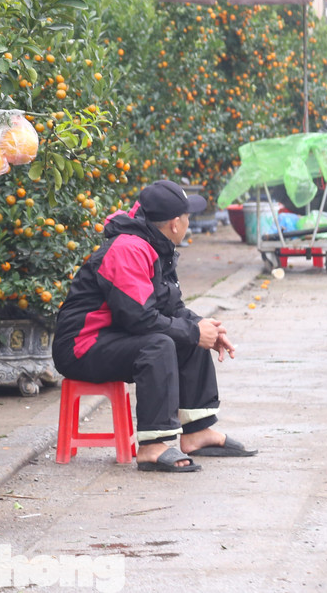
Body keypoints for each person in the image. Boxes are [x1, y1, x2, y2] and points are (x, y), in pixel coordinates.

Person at [52, 180, 255, 473]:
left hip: (113, 336)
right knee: (160, 344)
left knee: (187, 332)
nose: (189, 222)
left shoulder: (155, 245)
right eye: (188, 217)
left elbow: (169, 308)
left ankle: (198, 432)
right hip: (82, 346)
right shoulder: (129, 249)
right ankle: (151, 446)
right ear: (175, 224)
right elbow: (139, 319)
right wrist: (194, 331)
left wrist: (201, 327)